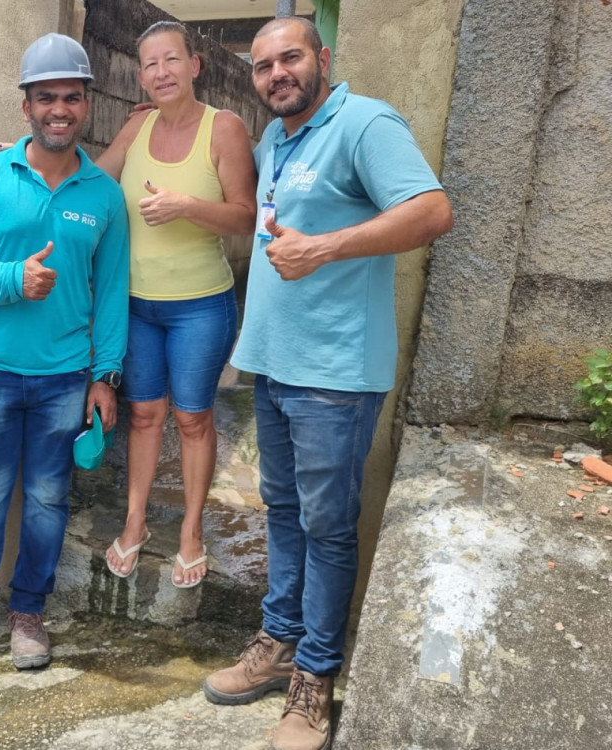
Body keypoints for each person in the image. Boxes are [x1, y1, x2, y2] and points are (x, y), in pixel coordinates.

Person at [201, 17, 452, 750]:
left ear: (323, 59)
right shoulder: (275, 138)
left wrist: (327, 247)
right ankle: (278, 642)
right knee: (281, 510)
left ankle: (315, 678)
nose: (277, 74)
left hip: (336, 375)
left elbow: (433, 210)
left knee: (328, 526)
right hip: (276, 363)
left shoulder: (365, 123)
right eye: (262, 66)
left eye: (291, 58)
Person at [0, 22, 257, 588]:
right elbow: (86, 178)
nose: (162, 72)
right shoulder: (137, 126)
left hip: (200, 305)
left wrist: (187, 205)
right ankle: (134, 522)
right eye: (151, 64)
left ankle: (190, 530)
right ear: (140, 76)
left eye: (172, 60)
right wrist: (17, 162)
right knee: (144, 414)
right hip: (137, 305)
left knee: (192, 417)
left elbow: (245, 216)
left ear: (194, 66)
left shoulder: (224, 128)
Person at [0, 32, 129, 672]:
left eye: (72, 97)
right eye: (47, 98)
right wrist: (14, 280)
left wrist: (107, 376)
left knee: (47, 500)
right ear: (26, 107)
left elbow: (113, 291)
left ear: (87, 105)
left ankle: (29, 612)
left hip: (64, 377)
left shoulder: (103, 194)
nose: (60, 109)